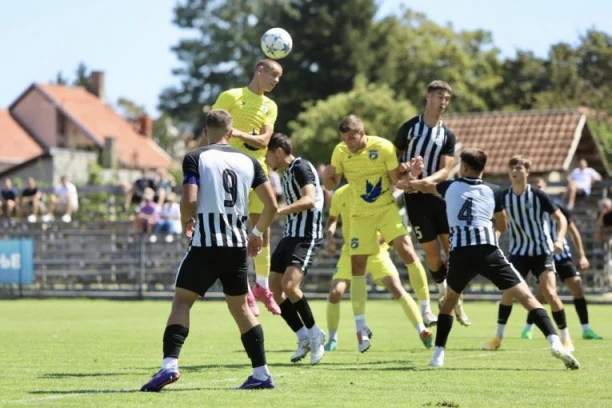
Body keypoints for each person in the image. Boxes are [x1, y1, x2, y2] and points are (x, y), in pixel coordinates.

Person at [140, 109, 278, 392]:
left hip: (206, 244)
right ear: (230, 132)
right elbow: (272, 206)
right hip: (237, 246)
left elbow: (189, 199)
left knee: (182, 301)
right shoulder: (250, 161)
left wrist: (184, 220)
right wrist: (255, 234)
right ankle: (261, 373)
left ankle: (169, 366)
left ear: (206, 132)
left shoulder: (196, 157)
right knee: (240, 308)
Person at [404, 148, 579, 369]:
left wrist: (410, 178)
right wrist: (492, 236)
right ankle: (555, 342)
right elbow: (503, 224)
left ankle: (438, 356)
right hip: (488, 251)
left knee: (448, 303)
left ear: (464, 168)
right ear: (483, 169)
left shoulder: (449, 186)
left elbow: (424, 186)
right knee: (528, 298)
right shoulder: (494, 191)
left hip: (461, 253)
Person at [322, 114, 433, 353]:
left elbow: (397, 183)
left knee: (407, 251)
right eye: (344, 139)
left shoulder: (382, 147)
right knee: (356, 270)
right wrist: (327, 177)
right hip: (360, 217)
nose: (348, 143)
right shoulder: (340, 152)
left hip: (384, 210)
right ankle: (360, 330)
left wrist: (411, 173)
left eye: (352, 138)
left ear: (362, 133)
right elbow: (332, 185)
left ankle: (425, 308)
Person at [393, 80, 470, 326]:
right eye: (439, 96)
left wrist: (423, 182)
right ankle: (443, 292)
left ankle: (457, 298)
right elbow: (392, 160)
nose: (443, 102)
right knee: (433, 255)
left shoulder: (447, 134)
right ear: (427, 97)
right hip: (415, 202)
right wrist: (404, 173)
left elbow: (445, 170)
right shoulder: (409, 128)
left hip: (439, 197)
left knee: (454, 252)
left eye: (447, 98)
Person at [323, 183, 433, 352]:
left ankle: (422, 330)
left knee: (397, 288)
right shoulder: (340, 194)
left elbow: (386, 224)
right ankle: (332, 338)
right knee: (335, 292)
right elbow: (332, 219)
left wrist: (378, 241)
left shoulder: (374, 191)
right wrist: (329, 238)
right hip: (350, 252)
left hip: (377, 253)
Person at [212, 59, 283, 316]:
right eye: (273, 74)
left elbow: (265, 140)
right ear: (259, 70)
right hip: (229, 169)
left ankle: (262, 287)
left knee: (262, 229)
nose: (275, 80)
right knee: (234, 233)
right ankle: (243, 289)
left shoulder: (270, 105)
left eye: (279, 77)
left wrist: (238, 134)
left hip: (256, 170)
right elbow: (211, 131)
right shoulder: (231, 96)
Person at [482, 155, 574, 352]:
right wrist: (495, 237)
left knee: (550, 292)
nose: (515, 171)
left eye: (519, 168)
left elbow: (561, 219)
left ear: (527, 171)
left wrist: (559, 239)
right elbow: (499, 223)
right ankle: (498, 336)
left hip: (542, 251)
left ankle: (566, 337)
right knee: (508, 292)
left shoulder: (538, 195)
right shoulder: (503, 197)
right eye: (512, 167)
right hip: (519, 253)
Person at [265, 133, 326, 364]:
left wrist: (279, 211)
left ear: (278, 151)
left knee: (289, 286)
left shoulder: (301, 166)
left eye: (269, 154)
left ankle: (316, 334)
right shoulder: (285, 173)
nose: (268, 160)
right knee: (274, 288)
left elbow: (309, 200)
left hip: (306, 235)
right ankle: (303, 337)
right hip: (290, 234)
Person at [520, 177, 602, 340]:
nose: (538, 189)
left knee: (577, 287)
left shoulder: (558, 209)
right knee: (542, 294)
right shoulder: (527, 211)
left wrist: (582, 255)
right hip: (543, 254)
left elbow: (573, 232)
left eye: (541, 186)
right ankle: (528, 328)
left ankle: (586, 329)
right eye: (535, 187)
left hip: (561, 255)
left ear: (546, 189)